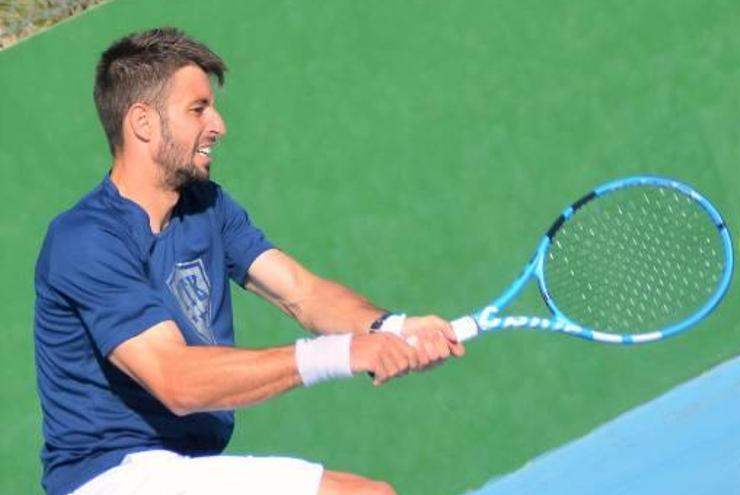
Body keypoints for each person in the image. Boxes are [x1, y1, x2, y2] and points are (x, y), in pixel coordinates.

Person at [34, 27, 465, 495]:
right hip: (112, 477)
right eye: (197, 109)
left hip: (181, 466)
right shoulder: (85, 240)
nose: (218, 125)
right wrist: (341, 353)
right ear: (143, 122)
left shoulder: (207, 207)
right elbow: (176, 380)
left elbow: (303, 294)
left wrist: (390, 328)